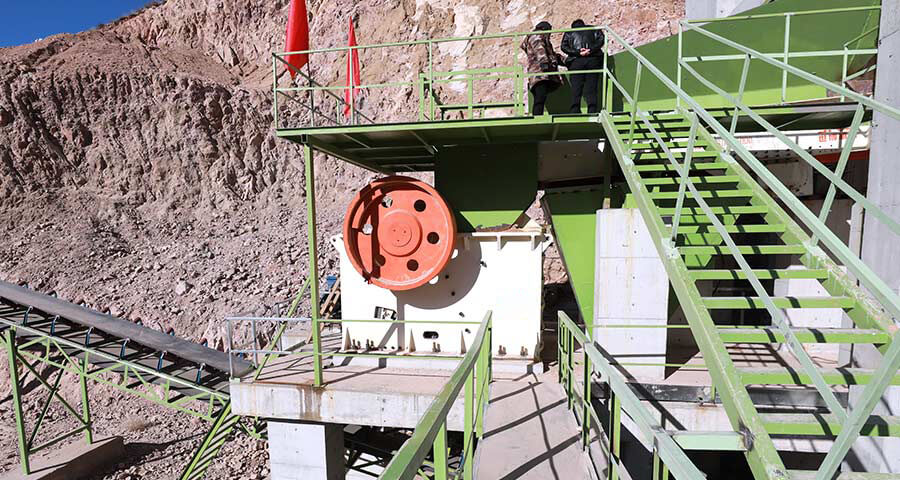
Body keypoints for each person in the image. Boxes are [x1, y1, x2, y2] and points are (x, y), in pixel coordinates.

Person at [521, 21, 564, 116]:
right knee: (540, 97)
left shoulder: (538, 37)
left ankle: (537, 116)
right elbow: (540, 50)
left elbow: (551, 55)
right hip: (540, 72)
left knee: (540, 97)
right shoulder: (537, 36)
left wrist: (565, 60)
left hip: (537, 73)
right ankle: (537, 117)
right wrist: (544, 62)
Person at [561, 19, 605, 113]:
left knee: (576, 87)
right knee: (591, 86)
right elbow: (601, 40)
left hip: (576, 61)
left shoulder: (569, 33)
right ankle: (592, 109)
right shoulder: (594, 29)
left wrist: (578, 52)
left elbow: (563, 47)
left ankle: (575, 109)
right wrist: (590, 50)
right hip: (593, 59)